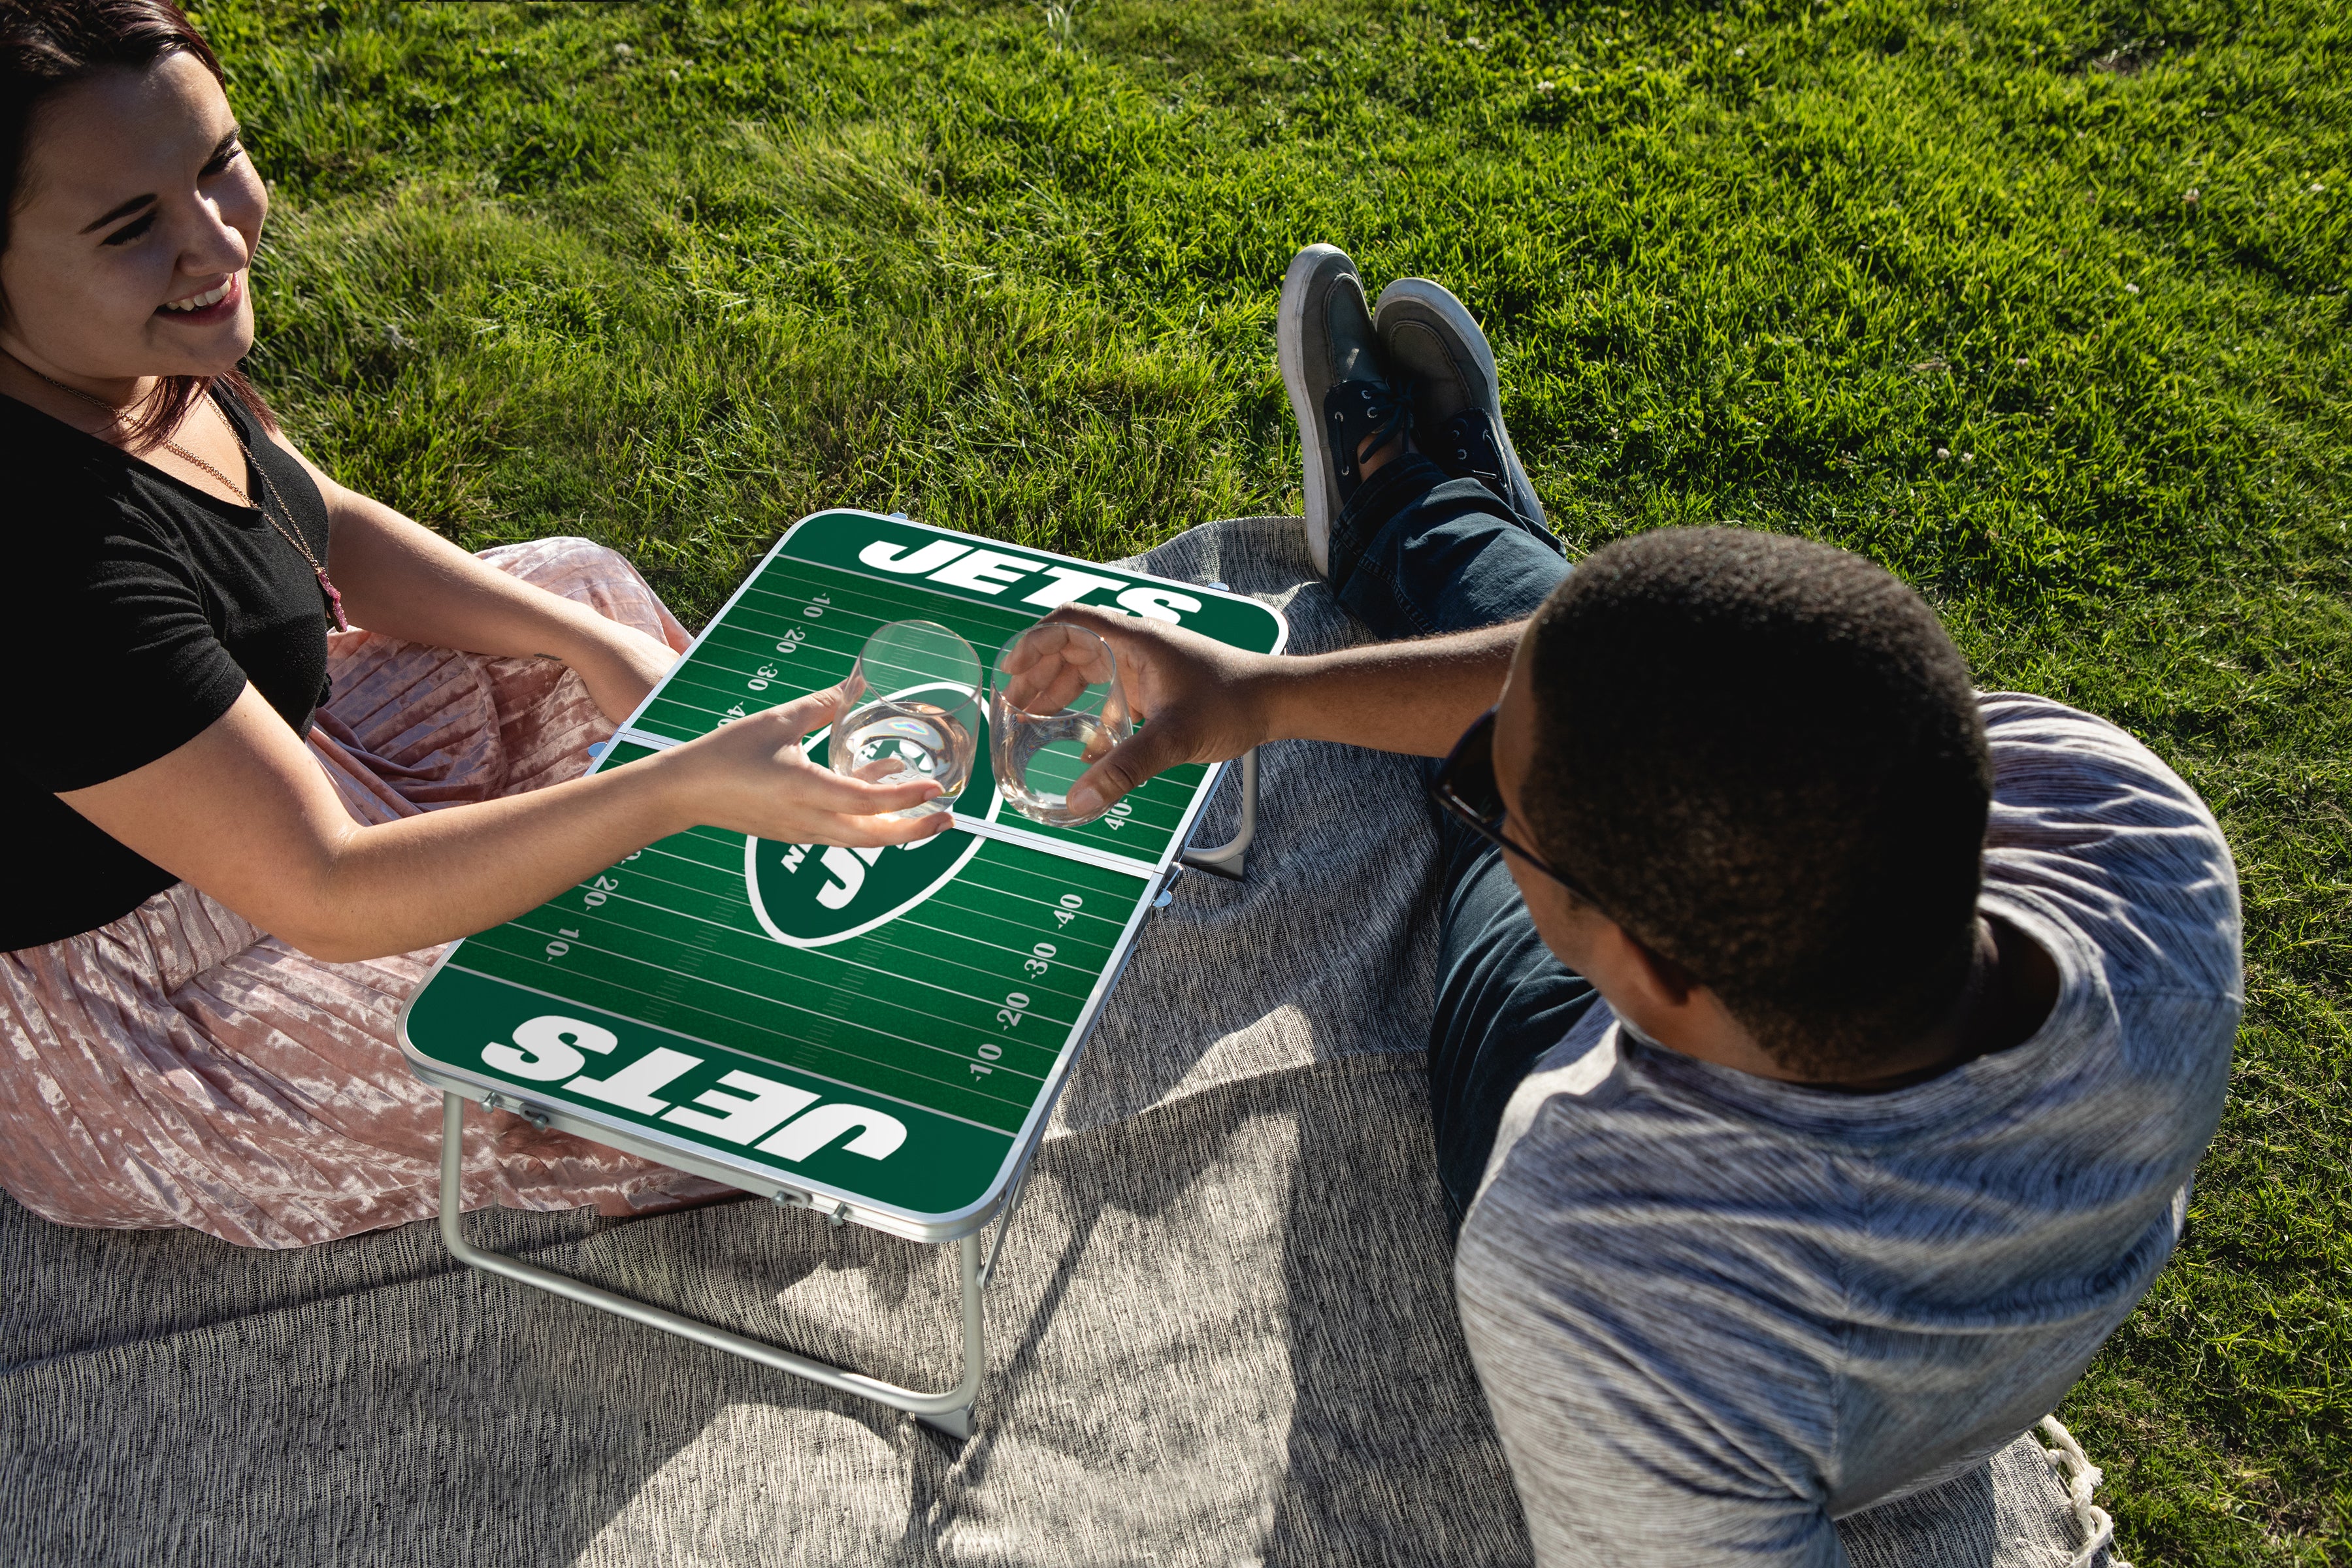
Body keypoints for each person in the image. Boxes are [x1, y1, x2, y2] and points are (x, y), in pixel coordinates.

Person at [1045, 243, 2240, 1565]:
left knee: (1543, 748)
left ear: (1645, 972)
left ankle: (1428, 520)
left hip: (1576, 1080)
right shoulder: (2134, 827)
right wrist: (1258, 697)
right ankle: (1444, 526)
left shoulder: (1604, 1260)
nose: (1481, 807)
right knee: (1622, 672)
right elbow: (1710, 695)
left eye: (1498, 811)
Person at [0, 0, 949, 1248]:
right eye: (133, 225)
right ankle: (724, 876)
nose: (217, 236)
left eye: (218, 161)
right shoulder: (41, 553)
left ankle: (726, 839)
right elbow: (327, 891)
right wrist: (669, 792)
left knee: (574, 587)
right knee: (657, 1050)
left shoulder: (122, 356)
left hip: (287, 775)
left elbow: (313, 521)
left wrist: (590, 646)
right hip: (162, 1005)